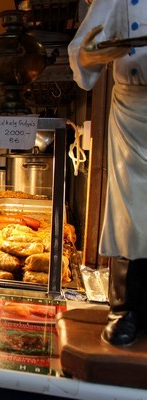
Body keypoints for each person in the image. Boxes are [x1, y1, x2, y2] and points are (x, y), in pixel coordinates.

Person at [70, 2, 147, 346]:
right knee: (130, 207)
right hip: (133, 106)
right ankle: (125, 308)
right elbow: (82, 48)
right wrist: (89, 56)